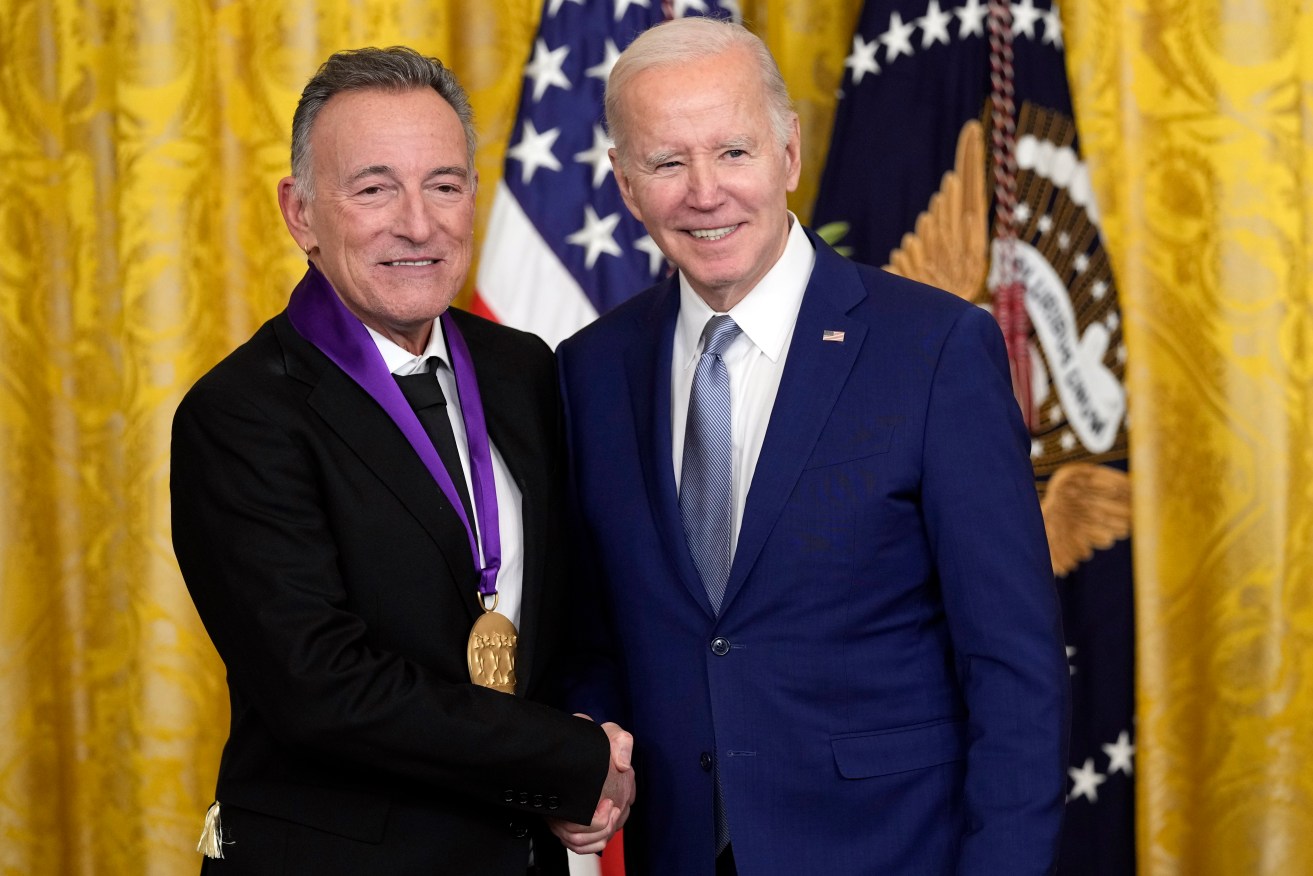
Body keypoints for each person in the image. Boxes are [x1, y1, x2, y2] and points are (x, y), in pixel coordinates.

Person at [556, 17, 1070, 876]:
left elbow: (1012, 667)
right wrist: (579, 759)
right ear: (624, 183)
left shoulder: (935, 351)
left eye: (732, 152)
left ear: (788, 155)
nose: (703, 192)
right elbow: (597, 639)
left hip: (893, 851)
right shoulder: (590, 371)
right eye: (666, 162)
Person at [171, 46, 633, 875]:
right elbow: (322, 688)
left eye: (445, 184)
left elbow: (576, 607)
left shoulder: (523, 368)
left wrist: (591, 743)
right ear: (302, 213)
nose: (418, 224)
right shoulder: (240, 414)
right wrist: (567, 759)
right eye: (375, 187)